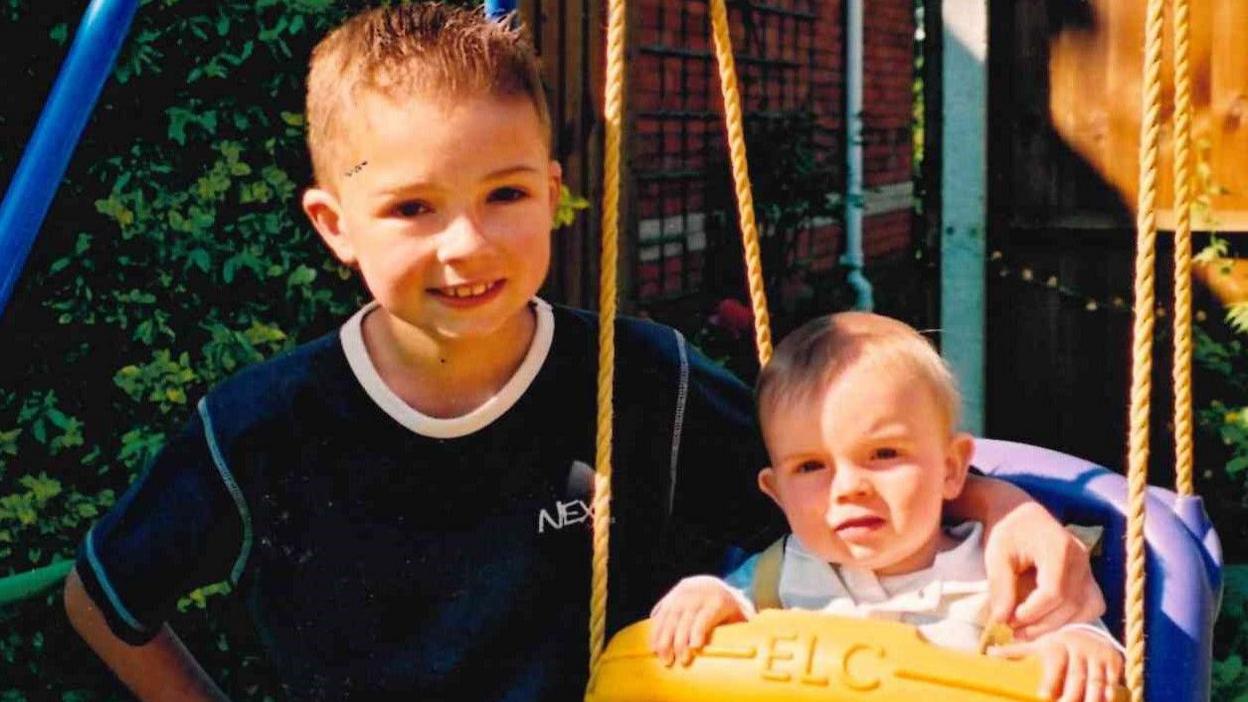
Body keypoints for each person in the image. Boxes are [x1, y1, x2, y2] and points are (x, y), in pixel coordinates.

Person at [63, 4, 1104, 700]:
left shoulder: (649, 383)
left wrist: (1001, 508)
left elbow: (832, 471)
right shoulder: (261, 429)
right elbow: (101, 599)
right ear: (335, 225)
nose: (467, 243)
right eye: (413, 207)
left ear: (554, 190)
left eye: (505, 194)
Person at [649, 313, 1124, 702]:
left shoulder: (999, 582)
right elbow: (723, 619)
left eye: (883, 454)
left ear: (951, 470)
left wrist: (1081, 646)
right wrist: (704, 595)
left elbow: (1082, 638)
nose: (850, 487)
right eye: (812, 466)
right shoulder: (776, 577)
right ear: (777, 494)